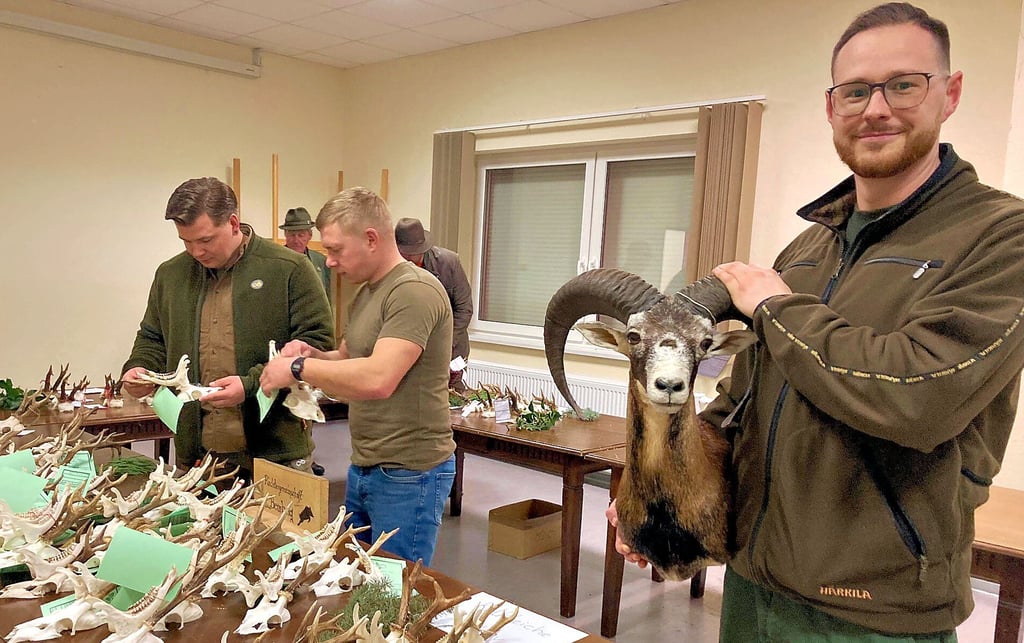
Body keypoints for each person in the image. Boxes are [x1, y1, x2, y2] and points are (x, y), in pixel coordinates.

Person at [608, 3, 1024, 641]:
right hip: (753, 583)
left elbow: (920, 397)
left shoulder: (1002, 237)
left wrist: (776, 307)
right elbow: (735, 407)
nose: (876, 108)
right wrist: (655, 487)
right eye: (855, 90)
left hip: (873, 613)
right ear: (833, 107)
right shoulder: (805, 252)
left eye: (903, 84)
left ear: (951, 92)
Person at [259, 187, 456, 566]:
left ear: (370, 239)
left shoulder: (413, 291)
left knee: (393, 590)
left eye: (335, 250)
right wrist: (313, 354)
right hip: (366, 463)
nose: (328, 261)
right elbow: (349, 358)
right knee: (356, 577)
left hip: (408, 472)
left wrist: (298, 369)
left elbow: (378, 378)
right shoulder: (368, 292)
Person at [122, 177, 335, 479]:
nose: (196, 251)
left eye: (206, 240)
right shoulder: (171, 275)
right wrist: (140, 367)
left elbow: (317, 345)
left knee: (278, 528)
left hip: (276, 453)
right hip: (197, 454)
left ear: (234, 223)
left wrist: (249, 386)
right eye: (186, 241)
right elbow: (152, 337)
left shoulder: (288, 269)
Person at [394, 217, 473, 392]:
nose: (407, 257)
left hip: (451, 347)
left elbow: (464, 309)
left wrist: (444, 344)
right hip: (411, 348)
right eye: (403, 252)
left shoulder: (449, 262)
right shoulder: (394, 268)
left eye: (412, 252)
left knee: (453, 398)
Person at [280, 206, 332, 304]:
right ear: (285, 235)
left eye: (301, 235)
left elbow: (326, 298)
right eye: (292, 235)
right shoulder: (275, 261)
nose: (296, 240)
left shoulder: (321, 261)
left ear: (310, 235)